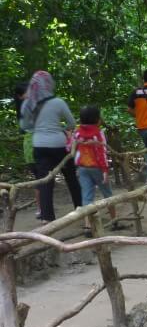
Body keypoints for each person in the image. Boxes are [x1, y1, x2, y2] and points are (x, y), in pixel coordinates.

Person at [19, 70, 82, 222]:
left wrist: (37, 128)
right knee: (71, 178)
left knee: (45, 182)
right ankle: (81, 209)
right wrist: (59, 129)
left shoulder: (28, 103)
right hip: (59, 145)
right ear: (49, 83)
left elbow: (24, 125)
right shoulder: (58, 102)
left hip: (39, 145)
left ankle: (47, 217)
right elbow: (72, 123)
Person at [73, 105, 120, 236]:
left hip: (82, 167)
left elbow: (73, 149)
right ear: (97, 119)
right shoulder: (98, 133)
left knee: (87, 196)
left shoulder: (77, 133)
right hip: (98, 168)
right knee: (107, 194)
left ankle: (88, 226)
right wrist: (105, 170)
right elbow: (102, 152)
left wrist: (76, 166)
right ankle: (114, 220)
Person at [14, 82, 40, 219]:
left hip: (33, 143)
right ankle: (42, 209)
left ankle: (41, 208)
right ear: (20, 96)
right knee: (40, 178)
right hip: (34, 145)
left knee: (40, 178)